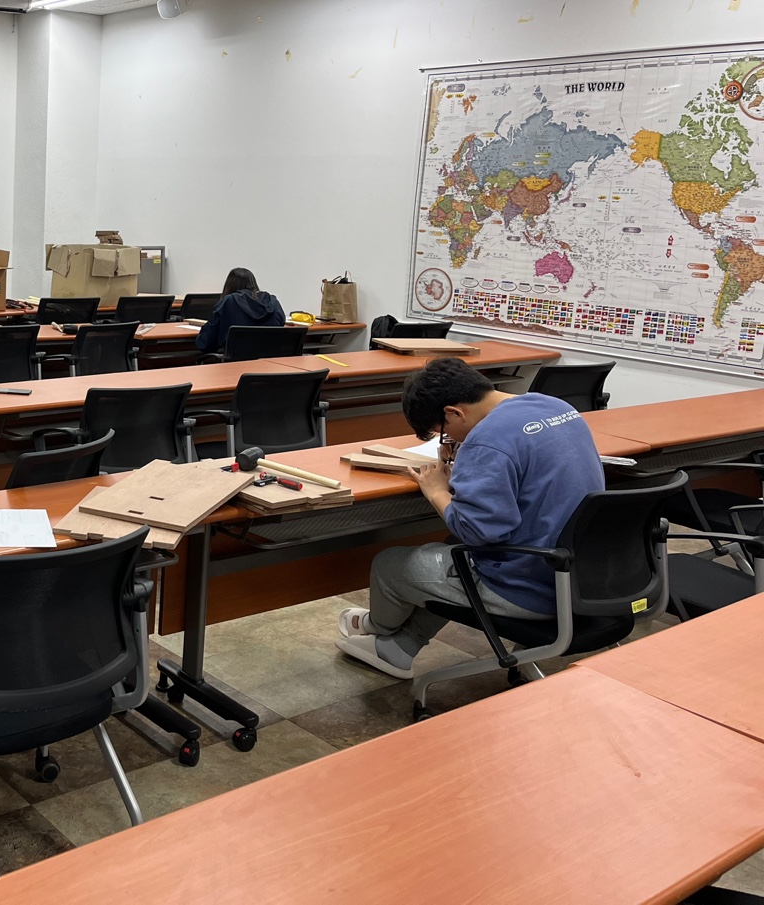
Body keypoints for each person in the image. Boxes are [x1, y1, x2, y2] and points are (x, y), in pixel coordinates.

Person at [334, 356, 603, 680]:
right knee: (449, 557)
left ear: (454, 412)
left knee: (390, 565)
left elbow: (477, 532)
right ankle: (401, 647)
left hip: (530, 588)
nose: (446, 438)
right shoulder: (554, 406)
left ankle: (376, 628)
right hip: (587, 576)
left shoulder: (487, 439)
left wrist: (437, 491)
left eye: (442, 431)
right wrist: (466, 463)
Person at [194, 267, 286, 354]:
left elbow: (205, 343)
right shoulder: (272, 301)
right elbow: (281, 327)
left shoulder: (229, 302)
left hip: (236, 363)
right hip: (272, 362)